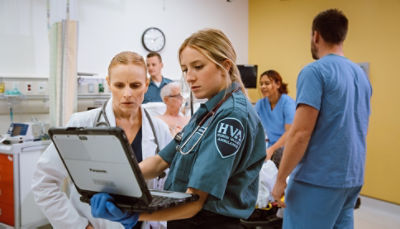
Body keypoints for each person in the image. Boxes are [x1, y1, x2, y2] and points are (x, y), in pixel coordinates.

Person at [90, 28, 267, 228]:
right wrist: (115, 181)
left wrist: (133, 216)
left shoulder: (230, 118)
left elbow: (195, 202)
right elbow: (159, 162)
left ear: (225, 66)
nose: (189, 77)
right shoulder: (207, 112)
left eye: (198, 67)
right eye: (185, 69)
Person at [31, 51, 172, 229]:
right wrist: (80, 226)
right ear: (108, 84)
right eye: (119, 85)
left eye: (135, 85)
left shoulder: (160, 130)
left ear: (146, 84)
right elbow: (44, 182)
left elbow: (169, 187)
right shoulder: (82, 124)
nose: (127, 93)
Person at [271, 9, 372, 229]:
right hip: (351, 179)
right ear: (342, 36)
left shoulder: (315, 72)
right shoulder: (361, 77)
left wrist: (280, 180)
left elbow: (300, 134)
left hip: (317, 180)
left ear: (316, 36)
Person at [255, 70, 295, 167]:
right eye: (261, 84)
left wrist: (272, 149)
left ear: (278, 84)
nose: (263, 87)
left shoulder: (287, 103)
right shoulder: (260, 104)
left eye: (267, 83)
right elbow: (251, 125)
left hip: (285, 147)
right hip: (269, 147)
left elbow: (289, 133)